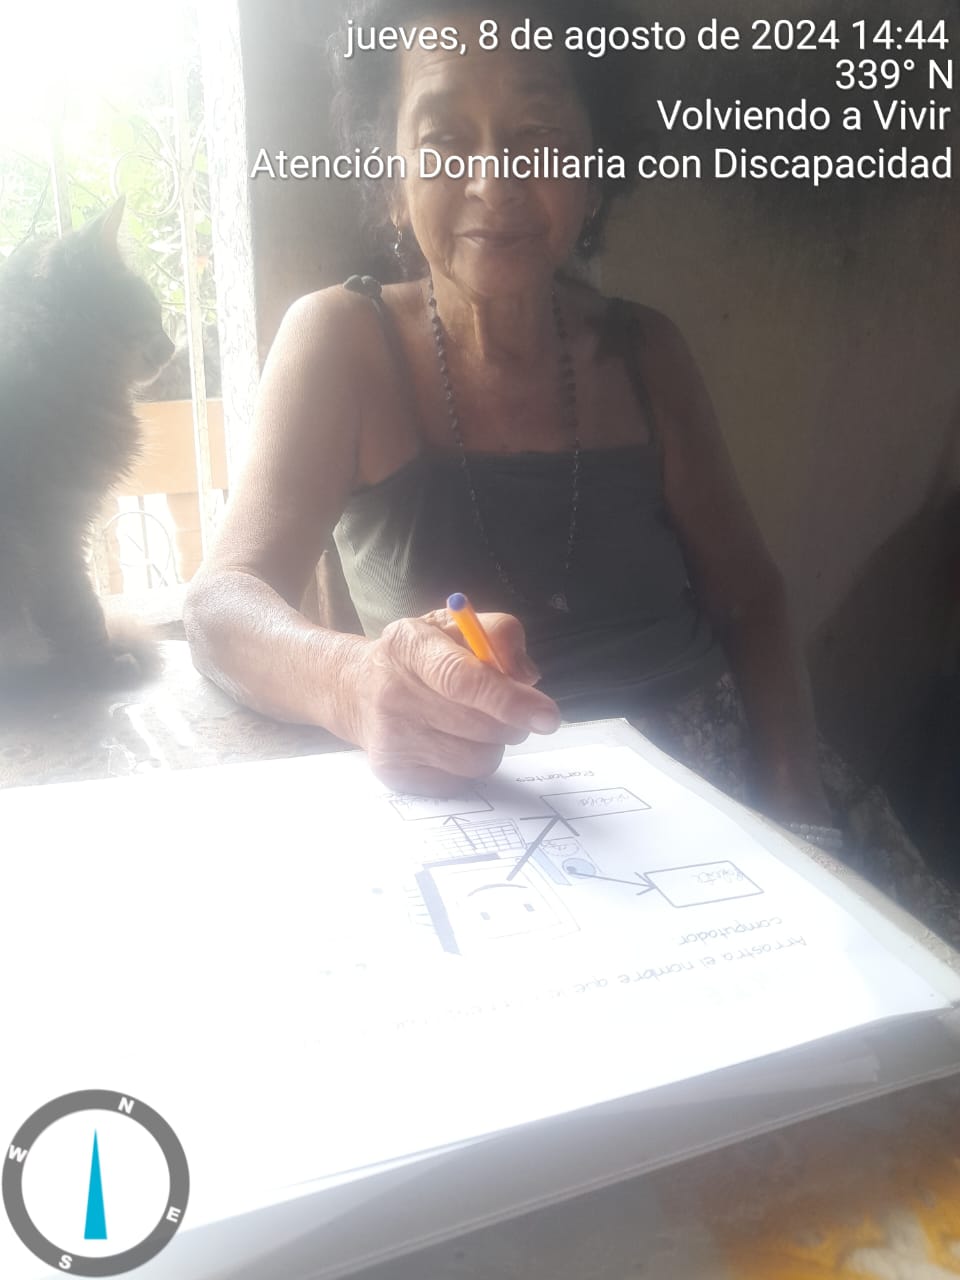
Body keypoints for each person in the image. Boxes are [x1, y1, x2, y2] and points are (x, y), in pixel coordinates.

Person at [185, 0, 930, 894]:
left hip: (723, 782)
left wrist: (794, 813)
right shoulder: (341, 342)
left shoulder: (646, 351)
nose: (494, 180)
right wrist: (353, 682)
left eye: (538, 133)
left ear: (594, 166)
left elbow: (751, 599)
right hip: (490, 811)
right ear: (391, 176)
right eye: (444, 138)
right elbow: (221, 606)